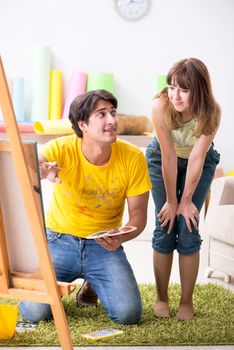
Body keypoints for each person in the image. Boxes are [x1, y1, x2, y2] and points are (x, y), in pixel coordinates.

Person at [20, 89, 151, 325]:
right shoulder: (61, 148)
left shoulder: (133, 158)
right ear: (83, 125)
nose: (112, 120)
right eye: (101, 114)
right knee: (32, 313)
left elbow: (139, 216)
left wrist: (122, 236)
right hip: (59, 241)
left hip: (104, 247)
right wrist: (41, 170)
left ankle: (93, 281)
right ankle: (76, 283)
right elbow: (33, 162)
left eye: (113, 113)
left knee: (128, 315)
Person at [145, 58, 221, 320]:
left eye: (184, 90)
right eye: (171, 87)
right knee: (165, 225)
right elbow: (167, 156)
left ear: (198, 90)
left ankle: (186, 302)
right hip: (161, 158)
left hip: (198, 162)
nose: (175, 96)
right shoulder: (161, 105)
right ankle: (161, 297)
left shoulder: (211, 111)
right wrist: (171, 200)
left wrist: (186, 200)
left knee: (188, 226)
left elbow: (198, 159)